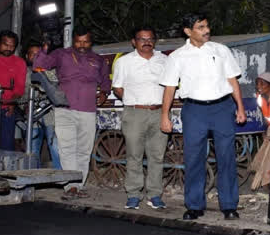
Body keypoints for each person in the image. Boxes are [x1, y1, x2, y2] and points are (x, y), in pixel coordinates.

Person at [160, 13, 246, 220]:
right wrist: (165, 116)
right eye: (200, 27)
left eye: (207, 26)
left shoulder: (220, 50)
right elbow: (170, 88)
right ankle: (194, 205)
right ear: (188, 31)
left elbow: (233, 80)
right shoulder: (177, 57)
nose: (206, 30)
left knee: (226, 157)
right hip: (194, 110)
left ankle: (229, 205)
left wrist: (240, 108)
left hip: (222, 108)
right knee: (194, 158)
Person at [33, 27, 111, 199]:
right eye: (78, 41)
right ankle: (71, 186)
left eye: (86, 42)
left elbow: (105, 80)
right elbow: (38, 65)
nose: (82, 45)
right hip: (64, 109)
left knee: (84, 150)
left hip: (88, 110)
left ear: (91, 42)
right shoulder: (61, 54)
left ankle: (79, 184)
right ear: (73, 40)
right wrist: (46, 47)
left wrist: (104, 93)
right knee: (66, 148)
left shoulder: (98, 60)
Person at [111, 27, 169, 210]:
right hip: (134, 113)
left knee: (157, 156)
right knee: (134, 155)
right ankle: (134, 194)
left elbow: (170, 86)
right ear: (133, 41)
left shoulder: (165, 60)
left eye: (150, 38)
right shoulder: (124, 62)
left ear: (155, 41)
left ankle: (154, 195)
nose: (146, 42)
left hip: (159, 112)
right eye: (142, 39)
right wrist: (133, 100)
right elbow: (117, 87)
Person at [25, 43, 60, 168]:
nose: (35, 57)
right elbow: (22, 94)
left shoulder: (51, 71)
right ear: (27, 56)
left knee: (54, 146)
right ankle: (33, 177)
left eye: (38, 54)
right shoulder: (25, 73)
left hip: (50, 114)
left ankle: (61, 177)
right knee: (33, 148)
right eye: (32, 54)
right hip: (32, 115)